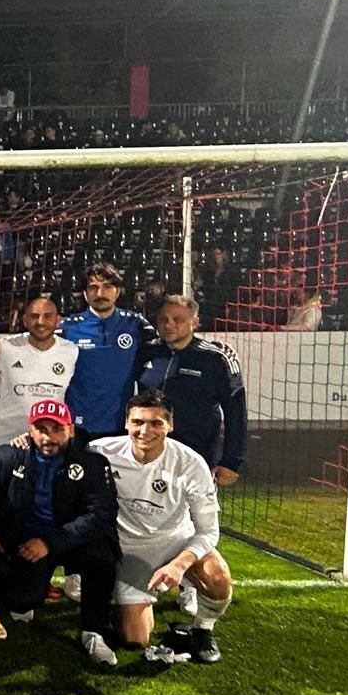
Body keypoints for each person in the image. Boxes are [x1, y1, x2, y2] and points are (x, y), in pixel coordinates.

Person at [0, 399, 121, 666]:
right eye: (41, 429)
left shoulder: (93, 463)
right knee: (19, 602)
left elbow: (100, 515)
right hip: (28, 541)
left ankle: (94, 631)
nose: (48, 437)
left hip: (70, 539)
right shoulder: (8, 456)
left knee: (102, 558)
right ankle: (26, 593)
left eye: (57, 429)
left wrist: (50, 542)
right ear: (30, 430)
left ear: (70, 430)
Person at [89, 391, 232, 663]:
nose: (145, 431)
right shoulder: (100, 451)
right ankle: (123, 598)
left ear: (170, 425)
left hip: (176, 541)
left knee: (218, 577)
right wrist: (23, 443)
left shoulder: (191, 463)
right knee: (135, 639)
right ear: (126, 423)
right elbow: (61, 451)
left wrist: (178, 565)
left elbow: (208, 531)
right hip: (129, 549)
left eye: (156, 423)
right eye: (138, 422)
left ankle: (202, 629)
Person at [134, 295, 247, 487]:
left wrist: (231, 462)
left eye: (178, 320)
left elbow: (235, 412)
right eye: (163, 319)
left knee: (194, 506)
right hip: (149, 451)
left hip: (197, 455)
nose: (169, 325)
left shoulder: (215, 359)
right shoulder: (145, 352)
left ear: (195, 322)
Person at [59, 262, 155, 437]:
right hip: (76, 425)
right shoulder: (66, 328)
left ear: (117, 292)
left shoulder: (137, 325)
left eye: (107, 287)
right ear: (85, 294)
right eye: (93, 288)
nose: (100, 294)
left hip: (122, 425)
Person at [0, 295, 79, 453]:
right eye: (34, 316)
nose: (40, 322)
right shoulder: (6, 347)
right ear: (25, 320)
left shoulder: (70, 351)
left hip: (47, 442)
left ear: (58, 320)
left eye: (47, 316)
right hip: (6, 440)